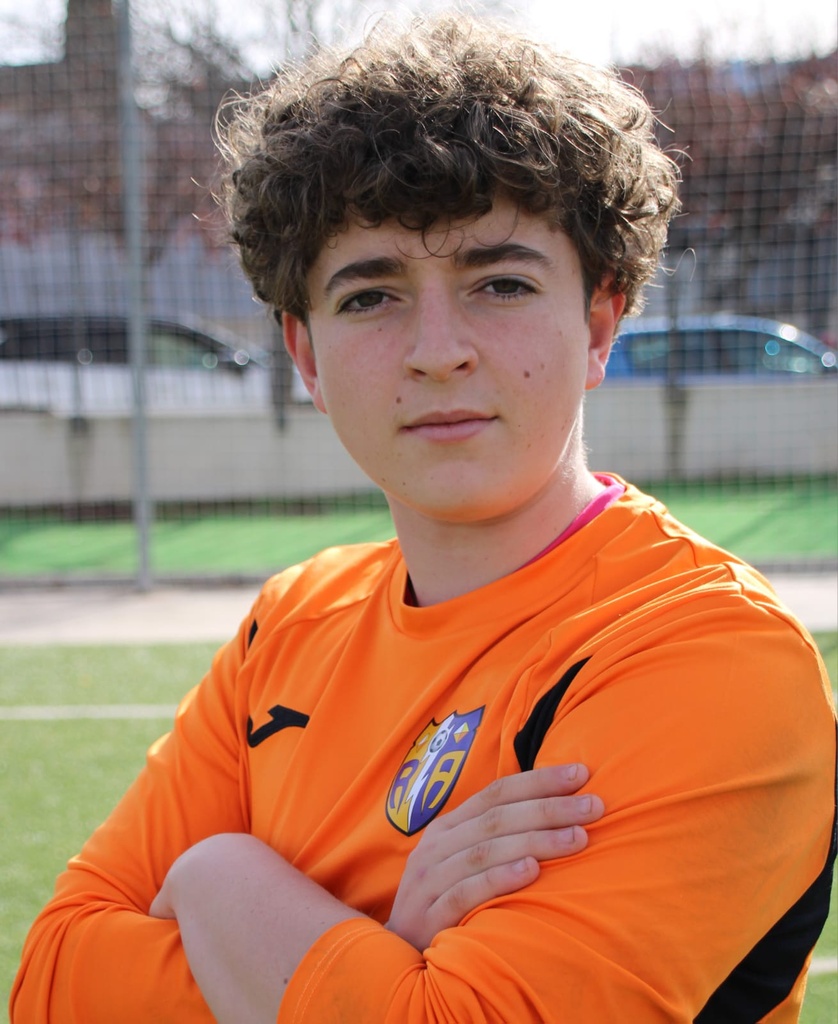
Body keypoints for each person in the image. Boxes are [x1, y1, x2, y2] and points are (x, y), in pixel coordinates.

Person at [11, 13, 836, 1024]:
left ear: (597, 325)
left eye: (500, 283)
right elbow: (52, 980)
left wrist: (219, 878)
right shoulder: (292, 622)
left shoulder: (701, 651)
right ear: (306, 356)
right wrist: (384, 949)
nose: (437, 350)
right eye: (371, 296)